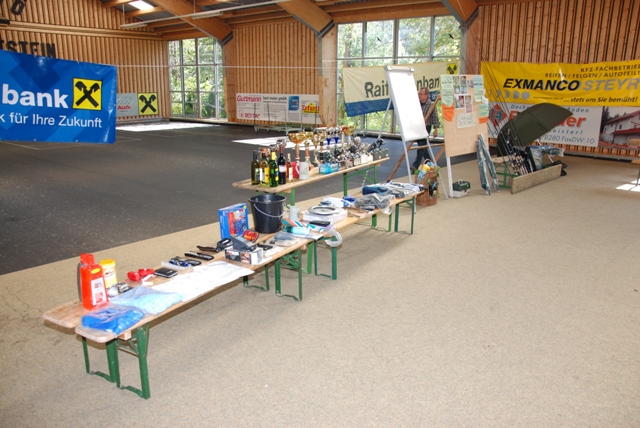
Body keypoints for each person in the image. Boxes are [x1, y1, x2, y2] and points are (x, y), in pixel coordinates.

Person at [412, 88, 440, 172]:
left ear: (427, 95)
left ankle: (415, 165)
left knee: (421, 145)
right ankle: (429, 162)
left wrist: (436, 129)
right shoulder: (417, 104)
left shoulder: (431, 105)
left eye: (421, 94)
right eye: (419, 94)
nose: (419, 96)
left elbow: (435, 117)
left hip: (426, 127)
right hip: (418, 127)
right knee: (422, 146)